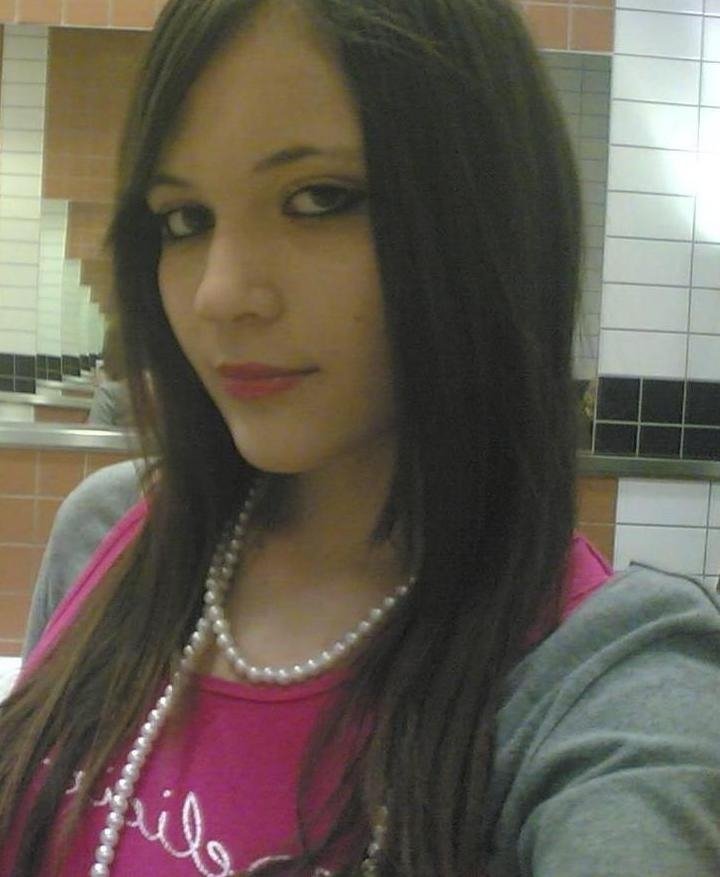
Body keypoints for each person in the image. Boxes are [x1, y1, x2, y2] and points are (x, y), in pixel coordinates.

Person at [1, 1, 720, 875]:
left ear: (484, 216)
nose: (219, 294)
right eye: (185, 219)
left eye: (319, 200)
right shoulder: (112, 534)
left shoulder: (605, 675)